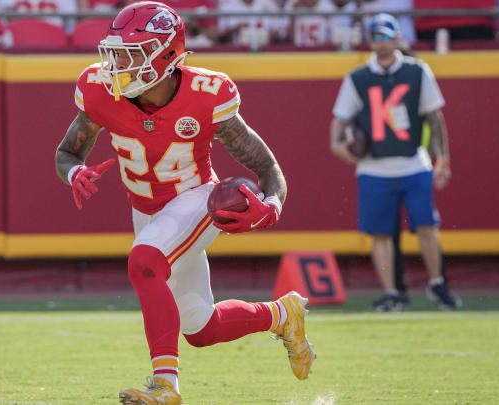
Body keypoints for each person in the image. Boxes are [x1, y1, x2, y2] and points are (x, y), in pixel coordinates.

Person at [55, 2, 315, 403]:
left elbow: (265, 166)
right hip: (146, 212)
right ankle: (283, 315)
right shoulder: (100, 90)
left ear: (166, 55)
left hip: (195, 199)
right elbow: (67, 153)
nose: (118, 64)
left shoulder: (206, 94)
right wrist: (75, 172)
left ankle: (165, 386)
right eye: (116, 52)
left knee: (143, 262)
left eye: (130, 54)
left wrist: (272, 206)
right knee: (200, 328)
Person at [329, 13, 461, 312]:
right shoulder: (358, 77)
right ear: (371, 40)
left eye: (387, 36)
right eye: (377, 36)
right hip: (374, 167)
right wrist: (336, 145)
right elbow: (340, 119)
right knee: (380, 233)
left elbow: (434, 118)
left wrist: (443, 159)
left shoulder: (417, 71)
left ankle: (437, 283)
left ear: (398, 38)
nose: (382, 42)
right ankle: (391, 292)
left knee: (427, 226)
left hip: (413, 162)